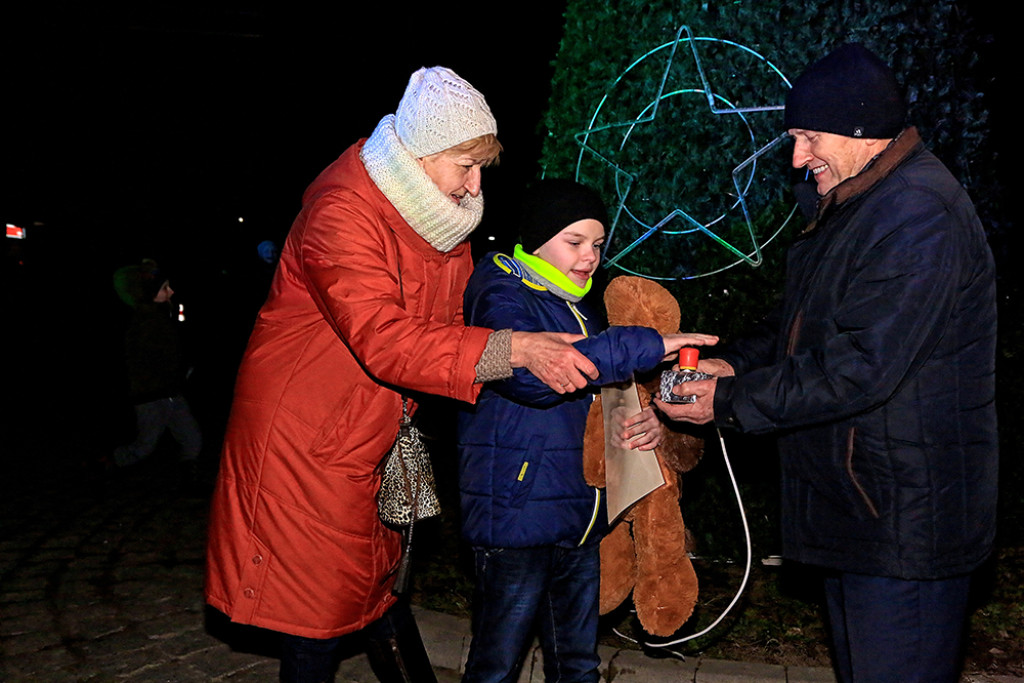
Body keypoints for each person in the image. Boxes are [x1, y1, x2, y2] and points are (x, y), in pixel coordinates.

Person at [205, 67, 601, 683]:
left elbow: (454, 316)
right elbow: (385, 340)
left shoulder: (438, 217)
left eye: (481, 169)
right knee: (316, 613)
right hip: (303, 439)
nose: (475, 187)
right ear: (418, 153)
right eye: (463, 166)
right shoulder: (342, 213)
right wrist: (514, 349)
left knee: (373, 593)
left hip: (372, 429)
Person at [655, 44, 998, 683]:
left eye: (810, 136)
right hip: (862, 512)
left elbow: (861, 363)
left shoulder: (918, 215)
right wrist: (730, 366)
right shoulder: (858, 202)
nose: (796, 156)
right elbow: (796, 325)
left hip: (902, 527)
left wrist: (727, 402)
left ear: (863, 133)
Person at [457, 179, 718, 682]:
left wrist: (644, 419)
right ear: (535, 239)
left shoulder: (580, 305)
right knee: (496, 666)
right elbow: (537, 379)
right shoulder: (501, 293)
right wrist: (645, 345)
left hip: (579, 515)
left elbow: (600, 394)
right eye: (574, 241)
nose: (590, 256)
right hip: (517, 517)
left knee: (577, 665)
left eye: (597, 244)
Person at [111, 260, 202, 475]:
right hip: (152, 396)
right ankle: (109, 462)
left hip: (170, 391)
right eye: (164, 288)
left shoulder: (163, 315)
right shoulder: (144, 323)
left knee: (191, 438)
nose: (170, 291)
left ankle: (189, 477)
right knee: (145, 445)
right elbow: (147, 362)